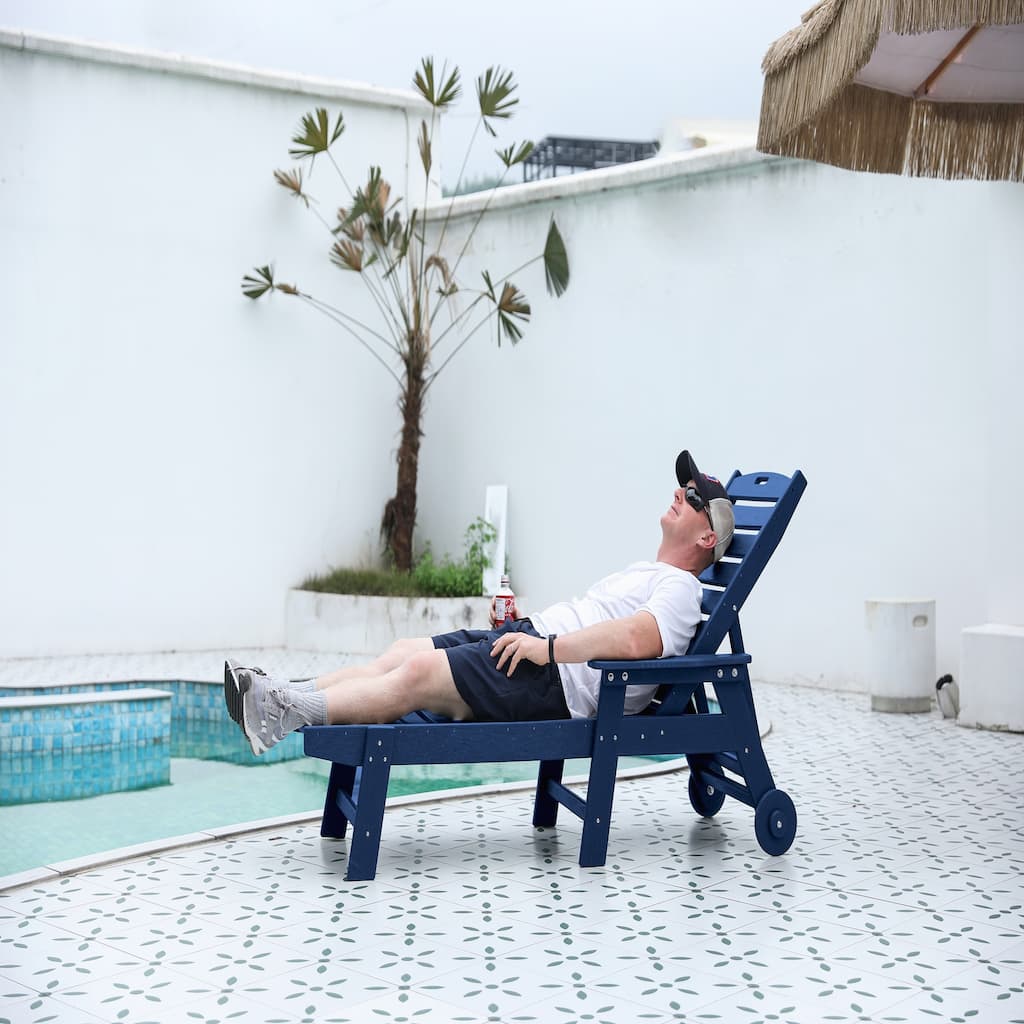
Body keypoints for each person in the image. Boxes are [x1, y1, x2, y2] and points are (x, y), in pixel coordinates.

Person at [224, 450, 735, 756]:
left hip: (555, 676)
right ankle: (277, 693)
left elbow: (635, 639)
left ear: (708, 540)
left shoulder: (682, 589)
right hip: (534, 644)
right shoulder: (651, 571)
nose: (680, 493)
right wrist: (538, 640)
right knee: (405, 651)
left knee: (417, 675)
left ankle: (285, 712)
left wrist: (549, 649)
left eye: (694, 498)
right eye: (683, 486)